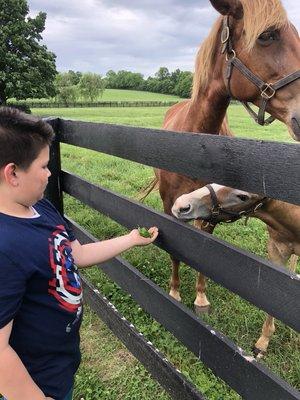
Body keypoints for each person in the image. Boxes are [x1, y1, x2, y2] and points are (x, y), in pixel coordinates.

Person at [0, 107, 159, 400]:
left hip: (60, 363)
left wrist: (130, 239)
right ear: (12, 174)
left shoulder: (41, 209)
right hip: (33, 381)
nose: (50, 174)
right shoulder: (5, 248)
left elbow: (78, 254)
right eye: (44, 167)